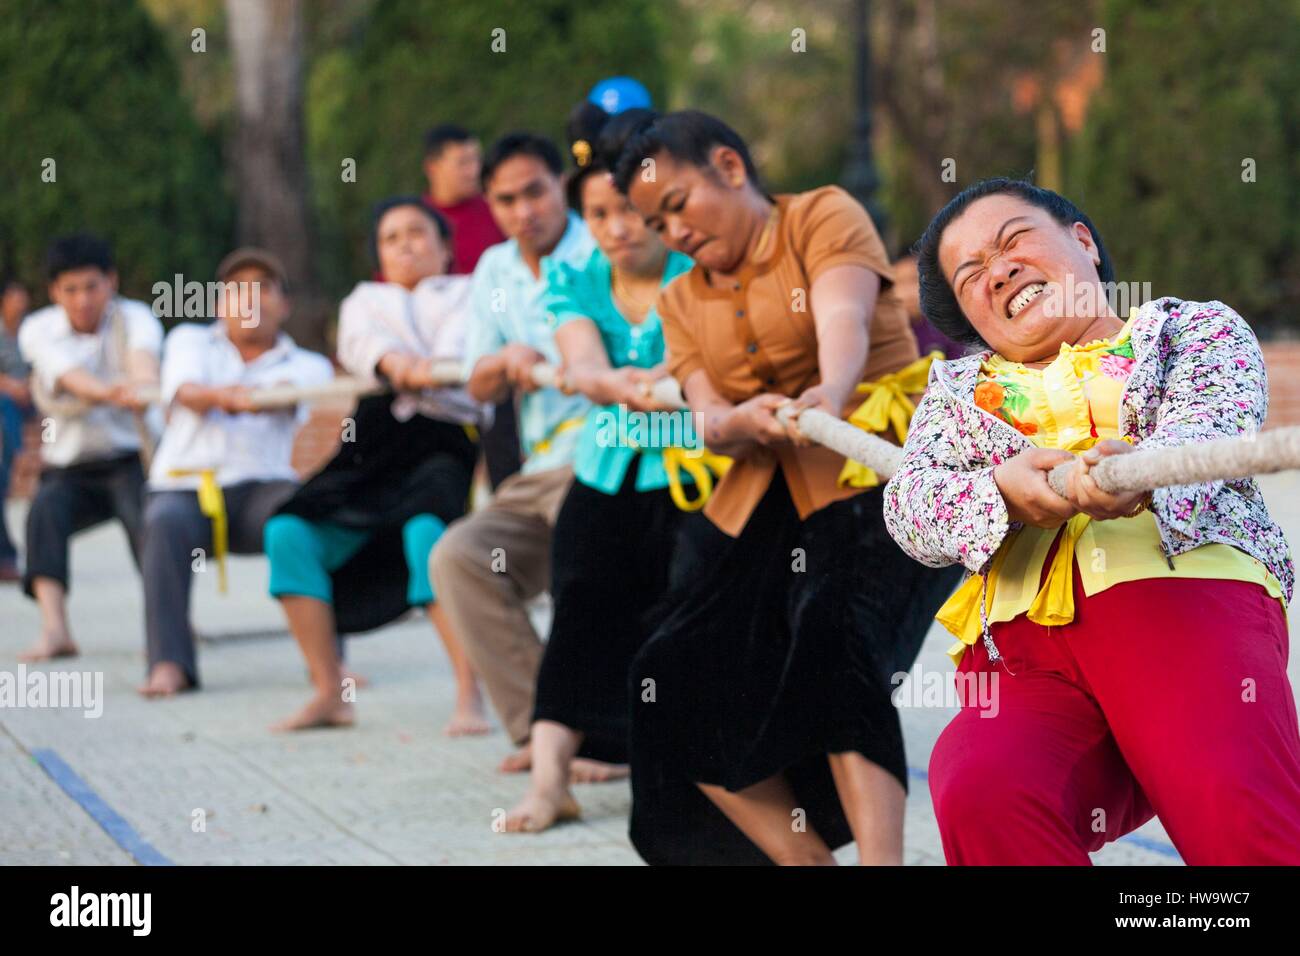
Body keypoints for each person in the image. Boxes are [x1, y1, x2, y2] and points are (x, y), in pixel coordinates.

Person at [882, 177, 1300, 865]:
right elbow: (910, 506)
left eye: (1013, 240)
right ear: (971, 322)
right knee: (983, 789)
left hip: (1181, 605)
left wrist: (1133, 473)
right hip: (1022, 655)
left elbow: (1212, 427)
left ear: (1083, 242)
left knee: (1241, 825)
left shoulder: (1190, 329)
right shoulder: (955, 396)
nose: (999, 270)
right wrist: (1002, 492)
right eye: (971, 275)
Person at [614, 110, 962, 865]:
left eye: (677, 203)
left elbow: (844, 312)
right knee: (668, 674)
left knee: (836, 638)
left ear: (730, 168)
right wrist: (737, 419)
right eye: (654, 221)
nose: (671, 230)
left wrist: (831, 392)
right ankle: (801, 860)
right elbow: (705, 415)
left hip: (880, 476)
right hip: (764, 506)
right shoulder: (677, 302)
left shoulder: (821, 215)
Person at [503, 105, 699, 832]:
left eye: (628, 210)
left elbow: (702, 364)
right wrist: (612, 382)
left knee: (684, 623)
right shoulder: (575, 280)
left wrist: (647, 383)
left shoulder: (698, 270)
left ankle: (685, 777)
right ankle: (550, 780)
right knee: (578, 612)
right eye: (598, 213)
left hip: (694, 479)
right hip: (604, 472)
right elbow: (582, 359)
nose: (616, 227)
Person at [263, 198, 487, 733]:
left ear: (445, 246)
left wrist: (424, 370)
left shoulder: (474, 292)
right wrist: (396, 364)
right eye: (391, 237)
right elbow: (361, 342)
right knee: (289, 531)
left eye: (417, 232)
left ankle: (469, 694)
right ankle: (329, 690)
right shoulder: (365, 299)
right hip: (372, 435)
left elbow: (465, 352)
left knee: (428, 536)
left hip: (443, 438)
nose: (405, 244)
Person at [430, 132, 606, 774]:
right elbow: (477, 381)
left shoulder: (604, 244)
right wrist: (506, 361)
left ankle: (605, 736)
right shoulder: (495, 270)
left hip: (613, 456)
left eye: (534, 191)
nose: (522, 210)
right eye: (504, 199)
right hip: (538, 471)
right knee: (458, 556)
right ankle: (548, 732)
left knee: (583, 553)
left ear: (561, 184)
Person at [139, 248, 333, 697]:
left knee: (304, 518)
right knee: (163, 522)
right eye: (238, 290)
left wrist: (266, 396)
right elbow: (186, 390)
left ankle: (328, 660)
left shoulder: (309, 365)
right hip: (186, 487)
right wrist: (229, 397)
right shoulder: (189, 341)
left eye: (264, 288)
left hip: (263, 487)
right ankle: (169, 663)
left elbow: (299, 400)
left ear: (284, 304)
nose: (251, 299)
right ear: (219, 304)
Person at [17, 234, 161, 661]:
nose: (83, 300)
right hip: (70, 466)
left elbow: (144, 362)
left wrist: (143, 386)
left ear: (111, 282)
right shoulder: (38, 329)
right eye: (71, 290)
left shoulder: (136, 318)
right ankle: (55, 629)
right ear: (54, 292)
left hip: (129, 460)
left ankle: (167, 621)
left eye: (92, 286)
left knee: (150, 524)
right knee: (42, 514)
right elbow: (69, 375)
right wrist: (110, 392)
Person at [422, 123, 520, 491]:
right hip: (436, 370)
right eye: (462, 162)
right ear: (433, 168)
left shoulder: (496, 211)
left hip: (495, 356)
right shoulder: (417, 223)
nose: (473, 171)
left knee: (505, 457)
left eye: (475, 160)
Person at [0, 277, 33, 582]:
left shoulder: (31, 331)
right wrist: (10, 385)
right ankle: (19, 453)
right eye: (15, 295)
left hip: (33, 400)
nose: (21, 302)